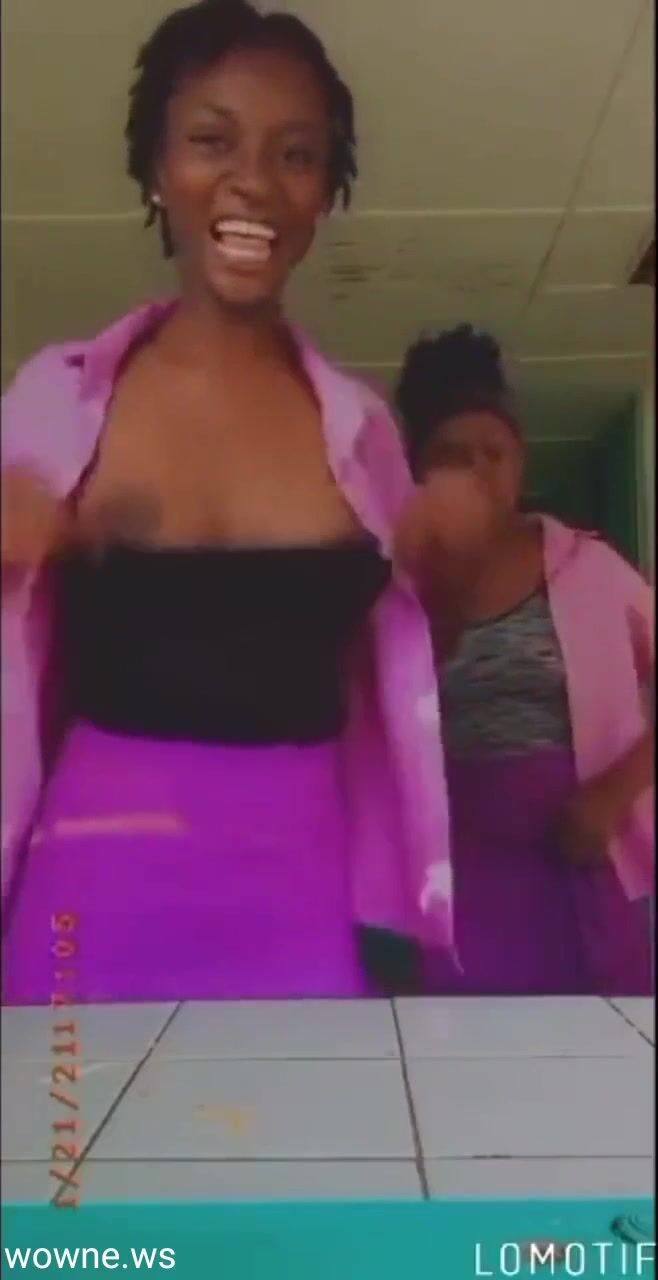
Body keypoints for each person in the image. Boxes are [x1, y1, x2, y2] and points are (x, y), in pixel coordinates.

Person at [1, 0, 456, 1004]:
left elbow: (404, 666)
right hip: (88, 886)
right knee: (67, 1114)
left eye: (296, 154)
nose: (253, 179)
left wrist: (443, 574)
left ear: (323, 192)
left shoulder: (364, 434)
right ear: (156, 168)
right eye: (212, 140)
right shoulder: (55, 400)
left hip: (298, 889)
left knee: (303, 1114)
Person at [395, 325, 654, 996]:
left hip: (581, 860)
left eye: (496, 452)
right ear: (419, 471)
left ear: (521, 464)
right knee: (463, 1044)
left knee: (599, 1046)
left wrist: (613, 793)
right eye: (454, 456)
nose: (480, 470)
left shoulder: (589, 567)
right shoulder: (396, 589)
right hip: (457, 874)